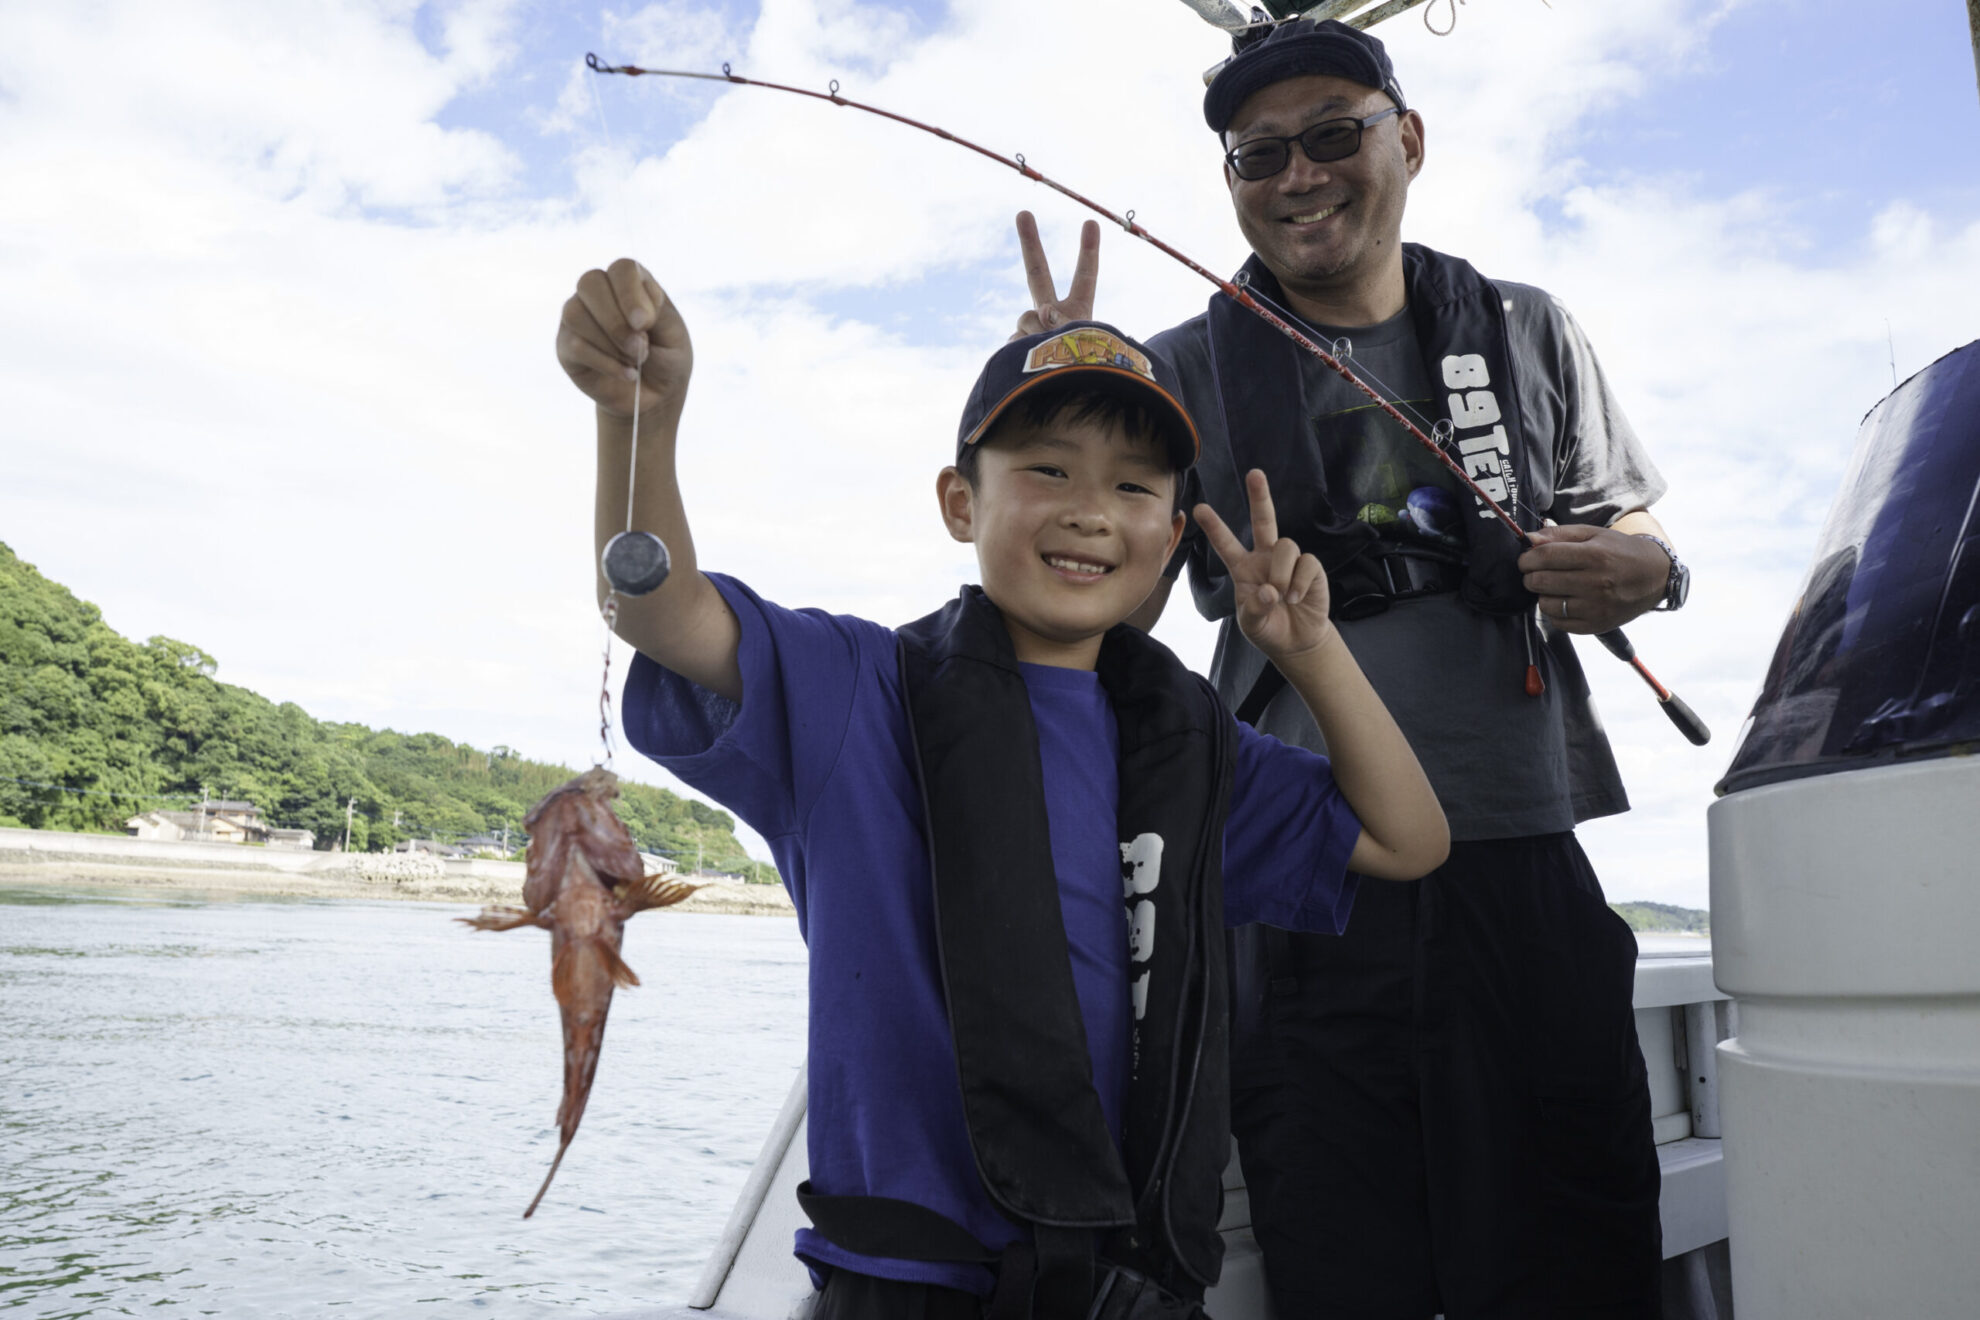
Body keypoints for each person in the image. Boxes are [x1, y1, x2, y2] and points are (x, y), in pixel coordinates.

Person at [554, 260, 1450, 1320]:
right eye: (1047, 470)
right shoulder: (854, 691)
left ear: (1170, 539)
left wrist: (1312, 652)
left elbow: (1410, 839)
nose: (1090, 513)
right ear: (958, 500)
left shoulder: (1192, 748)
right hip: (910, 1280)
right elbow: (658, 611)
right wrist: (639, 425)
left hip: (1131, 1287)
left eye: (1132, 486)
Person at [1012, 17, 1684, 1320]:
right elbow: (1086, 619)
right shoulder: (1185, 370)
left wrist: (1653, 572)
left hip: (1527, 860)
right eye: (1259, 156)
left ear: (1407, 140)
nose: (1299, 175)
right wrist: (1062, 425)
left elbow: (1634, 525)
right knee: (1341, 1261)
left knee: (1581, 1248)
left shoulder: (1528, 329)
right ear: (1232, 186)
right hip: (1304, 880)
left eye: (1333, 136)